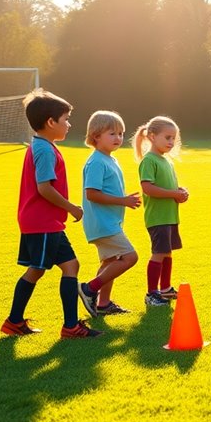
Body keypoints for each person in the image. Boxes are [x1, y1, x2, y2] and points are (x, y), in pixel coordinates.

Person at [1, 89, 102, 339]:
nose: (69, 124)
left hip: (47, 222)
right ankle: (67, 327)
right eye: (65, 119)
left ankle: (26, 323)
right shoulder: (44, 150)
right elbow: (43, 188)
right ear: (50, 122)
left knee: (70, 265)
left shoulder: (44, 146)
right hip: (42, 222)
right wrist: (72, 208)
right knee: (37, 270)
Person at [78, 110, 141, 316]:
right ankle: (89, 289)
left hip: (109, 221)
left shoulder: (109, 159)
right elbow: (92, 194)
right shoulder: (96, 161)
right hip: (103, 223)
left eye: (121, 133)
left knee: (110, 262)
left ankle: (103, 304)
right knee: (130, 257)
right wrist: (123, 200)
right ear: (96, 136)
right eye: (112, 133)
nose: (119, 138)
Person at [133, 116, 189, 308]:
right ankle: (151, 293)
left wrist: (179, 191)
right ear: (152, 136)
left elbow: (167, 185)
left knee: (167, 253)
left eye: (174, 138)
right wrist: (173, 193)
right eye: (167, 137)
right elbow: (148, 188)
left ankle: (165, 289)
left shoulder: (166, 161)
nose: (171, 142)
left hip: (170, 216)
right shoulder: (149, 160)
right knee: (159, 253)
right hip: (157, 218)